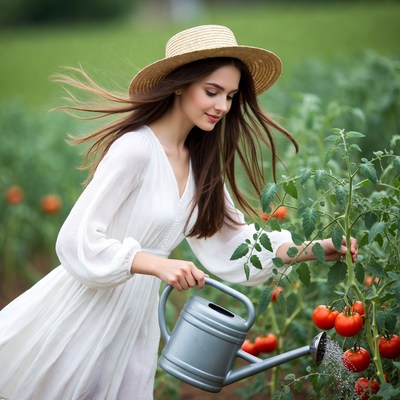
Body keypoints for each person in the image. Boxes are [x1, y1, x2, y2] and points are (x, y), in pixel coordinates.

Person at [0, 25, 357, 399]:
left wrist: (313, 248)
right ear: (179, 86)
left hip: (134, 321)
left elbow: (236, 243)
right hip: (83, 308)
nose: (222, 106)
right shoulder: (135, 150)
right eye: (212, 91)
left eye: (231, 96)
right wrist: (157, 264)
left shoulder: (201, 166)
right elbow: (75, 239)